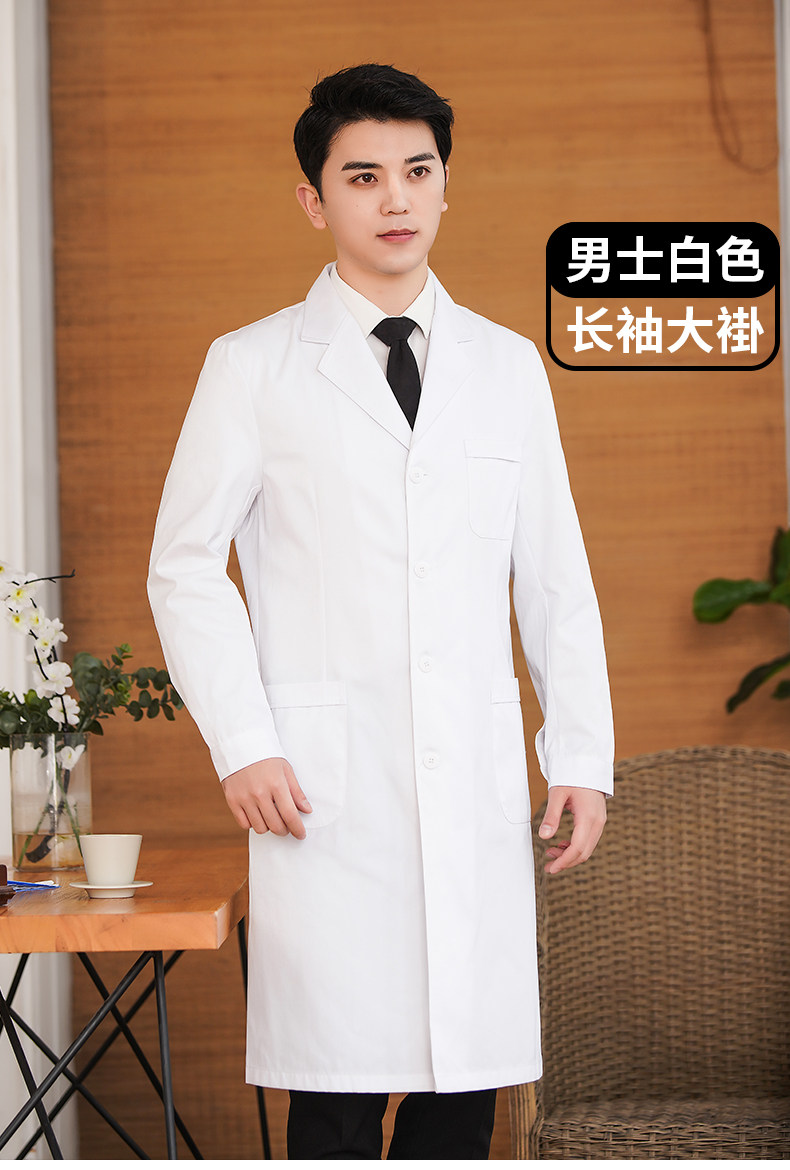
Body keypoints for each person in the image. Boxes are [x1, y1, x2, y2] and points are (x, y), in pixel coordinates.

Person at [147, 63, 614, 1160]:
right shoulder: (251, 367)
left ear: (446, 185)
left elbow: (554, 575)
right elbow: (183, 568)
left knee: (463, 1099)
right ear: (315, 201)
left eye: (418, 170)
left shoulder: (506, 367)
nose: (396, 199)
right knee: (340, 1101)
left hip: (473, 790)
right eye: (363, 177)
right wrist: (244, 743)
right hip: (324, 791)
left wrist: (580, 753)